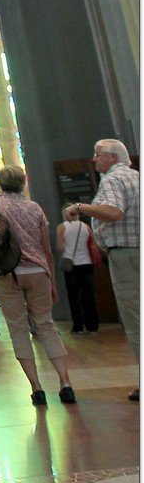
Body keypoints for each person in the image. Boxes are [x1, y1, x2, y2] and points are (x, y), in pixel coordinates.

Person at [0, 165, 76, 406]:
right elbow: (46, 249)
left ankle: (37, 388)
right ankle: (65, 382)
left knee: (17, 328)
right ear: (23, 182)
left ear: (0, 183)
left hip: (5, 273)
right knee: (46, 325)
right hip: (37, 271)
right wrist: (50, 279)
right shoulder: (34, 207)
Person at [66, 138, 138, 399]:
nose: (94, 159)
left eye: (97, 155)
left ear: (112, 158)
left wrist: (80, 207)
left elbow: (113, 212)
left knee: (135, 319)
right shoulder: (136, 178)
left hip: (127, 256)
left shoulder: (112, 180)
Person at [56, 212, 99, 336]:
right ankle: (93, 326)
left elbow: (60, 247)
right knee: (89, 296)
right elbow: (93, 244)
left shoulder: (61, 227)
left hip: (71, 265)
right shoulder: (86, 227)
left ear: (65, 214)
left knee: (73, 296)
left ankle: (78, 326)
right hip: (86, 263)